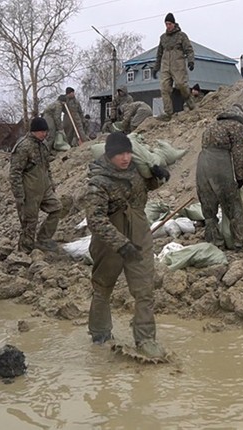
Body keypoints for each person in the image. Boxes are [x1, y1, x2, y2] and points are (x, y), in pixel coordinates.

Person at [83, 132, 171, 358]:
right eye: (119, 154)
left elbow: (144, 188)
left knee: (144, 289)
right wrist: (121, 244)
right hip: (109, 241)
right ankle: (100, 335)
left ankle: (145, 339)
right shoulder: (98, 181)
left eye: (128, 153)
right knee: (103, 287)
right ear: (109, 155)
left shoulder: (135, 172)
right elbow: (96, 220)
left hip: (139, 233)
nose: (125, 158)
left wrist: (158, 176)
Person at [196, 104, 243, 251]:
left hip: (202, 163)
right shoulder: (235, 126)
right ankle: (241, 242)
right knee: (233, 203)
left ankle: (215, 243)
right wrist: (240, 177)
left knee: (208, 205)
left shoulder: (211, 127)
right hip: (219, 163)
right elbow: (238, 153)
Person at [9, 117, 62, 253]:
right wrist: (19, 195)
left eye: (46, 131)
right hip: (29, 192)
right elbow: (15, 173)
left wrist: (50, 184)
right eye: (42, 131)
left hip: (44, 189)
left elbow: (46, 167)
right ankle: (24, 254)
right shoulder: (23, 147)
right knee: (29, 223)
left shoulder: (42, 145)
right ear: (34, 131)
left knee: (56, 208)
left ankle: (43, 239)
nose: (44, 134)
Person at [155, 12, 195, 119]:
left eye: (169, 24)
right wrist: (156, 67)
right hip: (165, 65)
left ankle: (191, 103)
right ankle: (168, 113)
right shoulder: (163, 38)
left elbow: (189, 50)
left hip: (178, 65)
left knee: (181, 85)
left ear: (174, 24)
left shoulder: (181, 36)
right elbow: (159, 54)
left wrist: (191, 61)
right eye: (166, 24)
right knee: (164, 88)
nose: (168, 26)